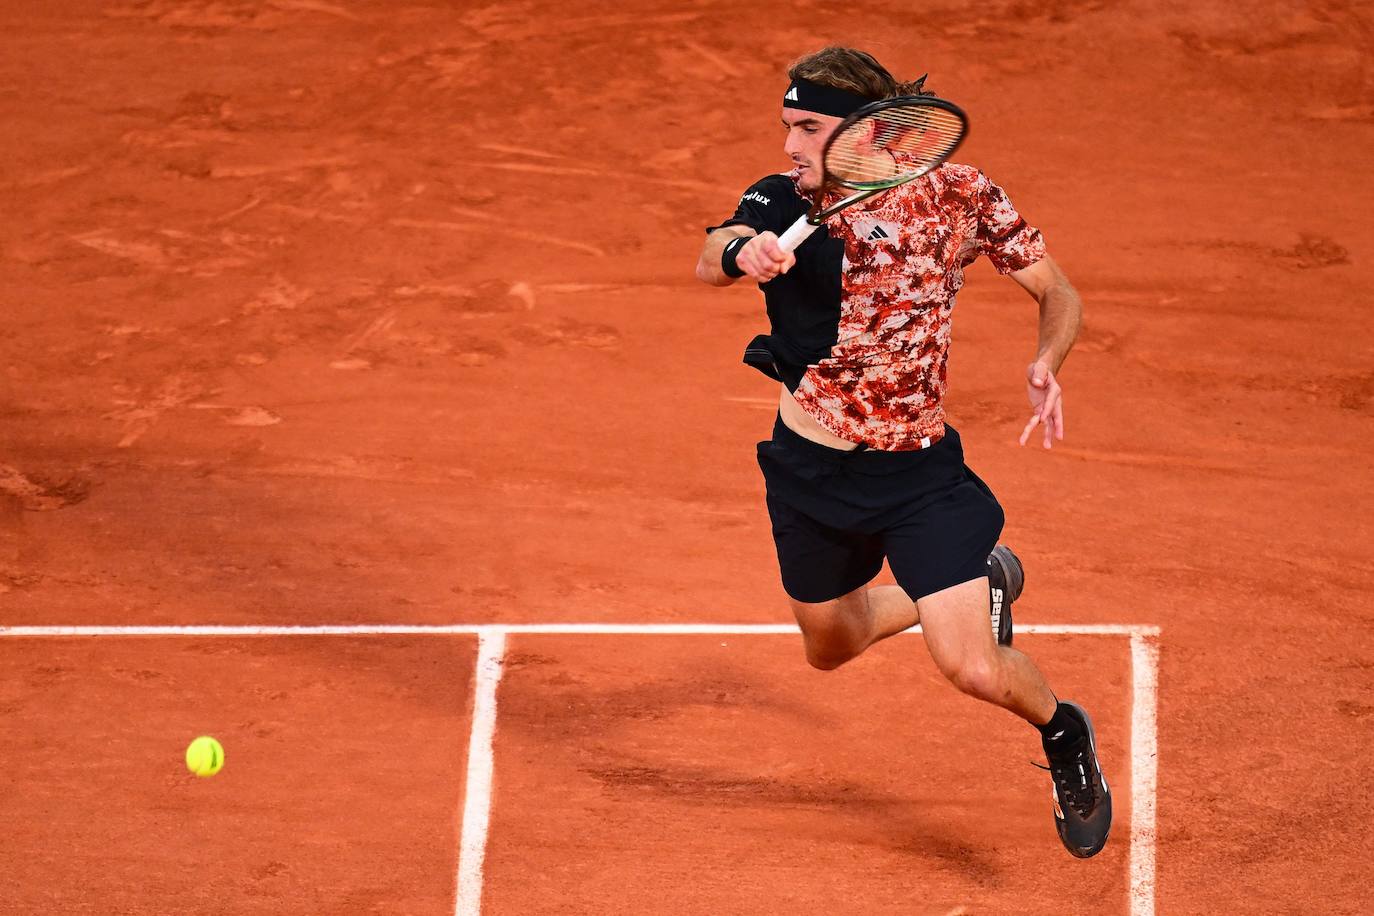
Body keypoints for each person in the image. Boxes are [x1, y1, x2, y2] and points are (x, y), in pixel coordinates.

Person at [694, 46, 1110, 858]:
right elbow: (715, 250)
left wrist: (1045, 363)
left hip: (916, 474)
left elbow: (1058, 290)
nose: (789, 146)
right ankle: (975, 581)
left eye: (808, 128)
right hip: (809, 470)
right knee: (830, 647)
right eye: (786, 126)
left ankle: (1064, 734)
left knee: (975, 669)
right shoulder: (782, 200)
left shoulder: (960, 194)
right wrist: (744, 252)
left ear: (869, 132)